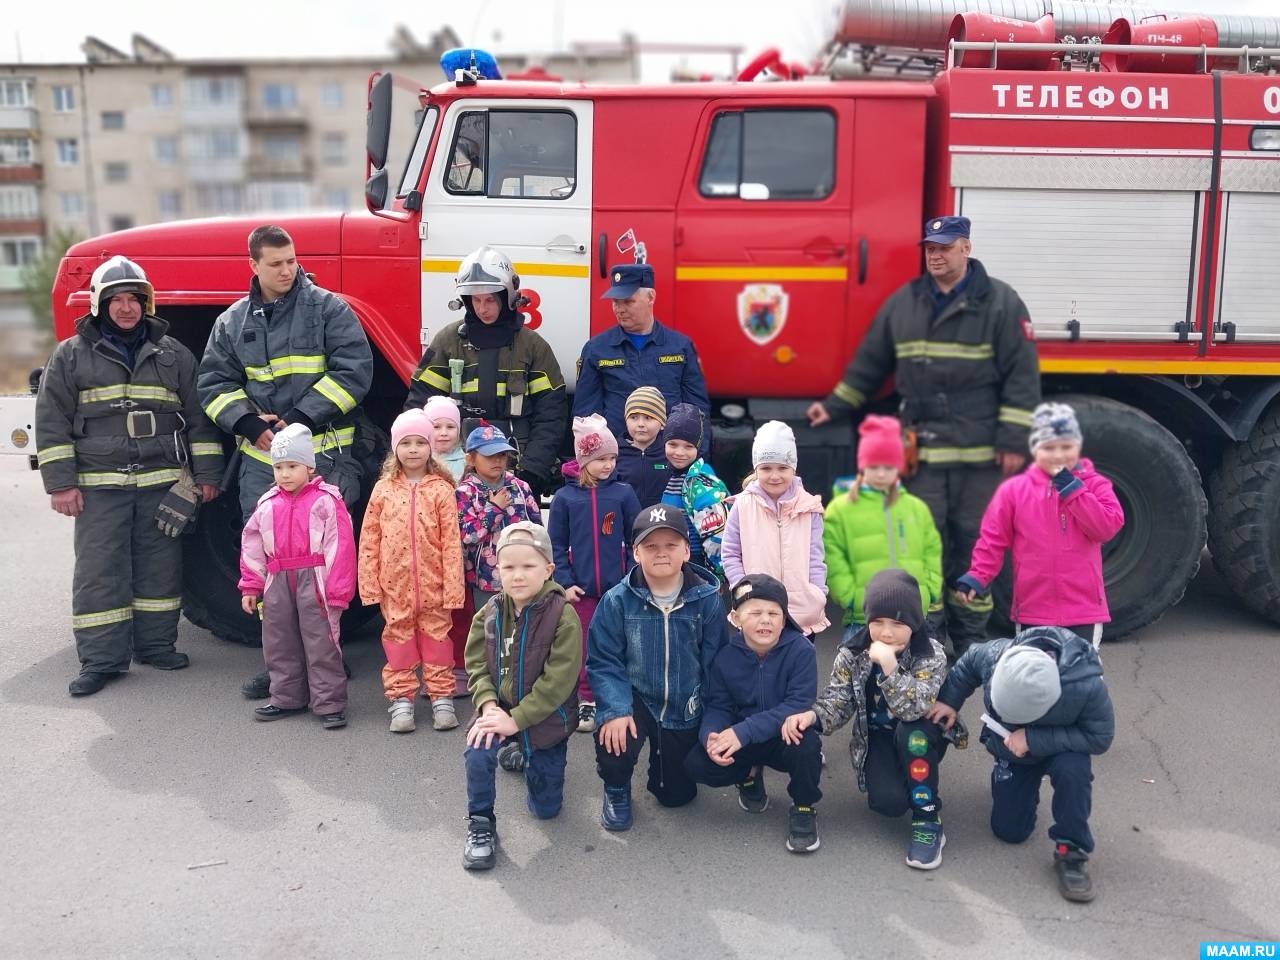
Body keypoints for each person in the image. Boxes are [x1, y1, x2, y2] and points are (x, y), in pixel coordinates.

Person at [807, 216, 1040, 655]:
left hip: (981, 455)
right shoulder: (906, 303)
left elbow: (1022, 376)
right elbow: (870, 363)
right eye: (930, 247)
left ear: (966, 248)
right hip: (924, 456)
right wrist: (834, 405)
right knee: (923, 545)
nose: (935, 254)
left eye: (945, 247)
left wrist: (1013, 441)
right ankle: (927, 641)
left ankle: (973, 643)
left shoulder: (1001, 303)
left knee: (974, 546)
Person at [35, 256, 225, 697]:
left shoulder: (174, 355)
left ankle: (156, 646)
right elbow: (51, 423)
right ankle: (101, 662)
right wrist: (61, 484)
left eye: (134, 300)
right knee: (100, 572)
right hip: (99, 486)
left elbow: (199, 420)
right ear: (100, 305)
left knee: (160, 568)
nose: (126, 308)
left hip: (162, 482)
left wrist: (207, 475)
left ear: (146, 303)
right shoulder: (70, 355)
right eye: (116, 300)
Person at [198, 224, 373, 701]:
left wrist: (298, 420)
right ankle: (282, 671)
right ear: (253, 265)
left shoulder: (329, 309)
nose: (286, 270)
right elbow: (211, 385)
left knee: (324, 567)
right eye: (275, 263)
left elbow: (355, 372)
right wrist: (252, 426)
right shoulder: (233, 322)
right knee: (274, 569)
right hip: (264, 463)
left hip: (327, 456)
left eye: (291, 260)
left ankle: (326, 661)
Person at [926, 626, 1115, 902]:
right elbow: (966, 665)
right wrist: (949, 701)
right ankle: (1015, 786)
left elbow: (1100, 737)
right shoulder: (995, 655)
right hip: (1012, 747)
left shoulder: (1084, 684)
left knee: (1074, 770)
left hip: (1062, 748)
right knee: (1010, 832)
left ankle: (1071, 849)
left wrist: (1033, 738)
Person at [783, 570, 951, 870]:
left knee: (913, 736)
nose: (887, 632)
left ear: (914, 622)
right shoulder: (852, 652)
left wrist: (889, 668)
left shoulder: (930, 653)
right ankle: (906, 785)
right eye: (878, 622)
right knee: (888, 803)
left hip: (920, 732)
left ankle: (928, 819)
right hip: (879, 736)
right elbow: (839, 700)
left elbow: (915, 708)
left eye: (898, 623)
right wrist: (814, 715)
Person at [587, 504, 729, 830]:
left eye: (670, 545)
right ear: (635, 552)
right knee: (613, 736)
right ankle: (616, 786)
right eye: (651, 546)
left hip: (684, 700)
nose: (661, 553)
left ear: (685, 551)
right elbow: (604, 661)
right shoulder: (616, 601)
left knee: (676, 796)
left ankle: (666, 767)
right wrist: (615, 708)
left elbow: (716, 661)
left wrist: (715, 716)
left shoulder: (707, 600)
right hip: (636, 696)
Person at [462, 522, 581, 870]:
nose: (517, 576)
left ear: (547, 569)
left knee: (545, 810)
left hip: (546, 717)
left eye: (528, 566)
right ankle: (481, 822)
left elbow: (558, 682)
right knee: (477, 751)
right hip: (499, 706)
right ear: (497, 569)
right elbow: (475, 663)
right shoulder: (489, 613)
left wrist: (515, 721)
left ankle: (521, 750)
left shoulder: (564, 615)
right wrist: (487, 705)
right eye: (508, 567)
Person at [955, 402, 1124, 649]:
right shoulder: (1014, 490)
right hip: (1033, 610)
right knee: (1035, 678)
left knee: (1079, 677)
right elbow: (993, 538)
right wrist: (978, 575)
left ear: (1078, 447)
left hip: (1083, 609)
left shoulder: (1095, 484)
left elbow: (1106, 526)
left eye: (1066, 446)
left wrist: (1073, 491)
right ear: (1035, 450)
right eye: (1049, 447)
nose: (1058, 455)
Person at [405, 246, 566, 497]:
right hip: (455, 468)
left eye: (490, 299)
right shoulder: (448, 341)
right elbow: (419, 407)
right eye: (476, 300)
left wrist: (533, 471)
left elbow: (551, 417)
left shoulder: (532, 346)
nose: (483, 308)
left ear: (508, 296)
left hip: (515, 465)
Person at [685, 574, 822, 853]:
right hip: (743, 740)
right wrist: (711, 733)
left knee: (807, 744)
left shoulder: (801, 651)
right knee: (697, 763)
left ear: (784, 619)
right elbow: (718, 705)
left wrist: (741, 732)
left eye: (774, 613)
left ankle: (804, 807)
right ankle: (748, 776)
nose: (766, 620)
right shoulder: (725, 657)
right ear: (735, 618)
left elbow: (797, 703)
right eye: (755, 612)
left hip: (781, 736)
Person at [239, 424, 355, 729]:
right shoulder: (267, 504)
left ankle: (329, 703)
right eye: (278, 467)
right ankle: (286, 697)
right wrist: (251, 585)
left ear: (310, 467)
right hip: (277, 580)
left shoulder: (326, 501)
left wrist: (338, 591)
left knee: (322, 643)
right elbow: (252, 546)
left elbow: (340, 546)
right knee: (279, 642)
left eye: (292, 466)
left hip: (315, 579)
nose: (285, 474)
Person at [359, 409, 466, 735]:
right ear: (395, 448)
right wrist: (369, 583)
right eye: (406, 443)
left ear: (431, 448)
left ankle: (441, 697)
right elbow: (369, 539)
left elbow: (451, 542)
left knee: (437, 640)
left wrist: (453, 586)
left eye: (421, 442)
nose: (414, 449)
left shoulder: (442, 489)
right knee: (398, 640)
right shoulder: (383, 490)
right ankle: (402, 698)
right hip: (395, 587)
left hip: (433, 585)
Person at [548, 414, 641, 734]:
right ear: (584, 459)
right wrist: (566, 582)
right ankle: (587, 699)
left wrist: (631, 578)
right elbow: (556, 545)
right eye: (601, 458)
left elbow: (636, 540)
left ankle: (618, 695)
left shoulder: (623, 494)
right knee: (585, 645)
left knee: (619, 642)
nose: (608, 465)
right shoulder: (565, 498)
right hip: (581, 590)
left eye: (613, 458)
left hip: (619, 589)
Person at [823, 415, 943, 640]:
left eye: (888, 467)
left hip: (910, 617)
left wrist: (929, 591)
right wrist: (851, 597)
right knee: (855, 674)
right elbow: (832, 556)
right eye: (873, 466)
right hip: (862, 620)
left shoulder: (915, 508)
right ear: (862, 466)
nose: (880, 474)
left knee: (911, 675)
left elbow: (932, 550)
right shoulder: (841, 509)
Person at [574, 263, 710, 452]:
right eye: (615, 302)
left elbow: (698, 412)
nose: (619, 309)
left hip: (669, 459)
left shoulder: (680, 347)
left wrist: (698, 462)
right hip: (616, 461)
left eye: (628, 301)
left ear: (650, 297)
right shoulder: (597, 349)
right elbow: (585, 417)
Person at [719, 421, 828, 636]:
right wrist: (742, 590)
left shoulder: (809, 507)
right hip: (756, 609)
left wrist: (818, 593)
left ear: (793, 468)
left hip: (801, 613)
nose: (775, 475)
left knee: (797, 667)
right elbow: (730, 553)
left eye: (782, 468)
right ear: (756, 468)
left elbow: (816, 557)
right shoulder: (743, 505)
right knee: (758, 669)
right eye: (766, 468)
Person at [456, 423, 542, 608]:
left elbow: (537, 529)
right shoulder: (465, 492)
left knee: (524, 627)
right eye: (489, 455)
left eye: (502, 455)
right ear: (471, 459)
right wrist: (494, 508)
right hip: (486, 580)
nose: (497, 460)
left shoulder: (521, 487)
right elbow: (468, 536)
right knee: (490, 630)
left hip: (522, 575)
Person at [660, 403, 730, 577]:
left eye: (688, 446)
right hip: (676, 562)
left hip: (696, 567)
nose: (679, 452)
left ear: (698, 447)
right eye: (673, 444)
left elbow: (717, 537)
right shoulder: (673, 476)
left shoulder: (700, 482)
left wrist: (716, 577)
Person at [614, 385, 670, 509]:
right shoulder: (614, 452)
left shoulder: (670, 452)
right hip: (626, 521)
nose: (640, 424)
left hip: (661, 522)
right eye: (634, 417)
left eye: (648, 418)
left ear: (662, 423)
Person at [423, 395, 467, 483]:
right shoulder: (419, 459)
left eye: (450, 427)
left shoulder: (466, 462)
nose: (444, 433)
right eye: (436, 427)